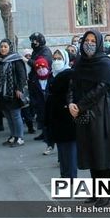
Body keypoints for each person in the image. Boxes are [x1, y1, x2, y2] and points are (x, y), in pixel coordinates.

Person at [68, 30, 110, 208]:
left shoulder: (104, 62)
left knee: (101, 151)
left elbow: (103, 87)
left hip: (99, 112)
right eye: (86, 40)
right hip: (82, 112)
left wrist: (80, 105)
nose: (89, 43)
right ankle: (96, 192)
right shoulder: (80, 62)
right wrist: (71, 104)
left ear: (98, 43)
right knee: (89, 150)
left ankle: (108, 194)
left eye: (92, 40)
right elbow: (72, 84)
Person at [44, 49, 77, 178]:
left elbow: (72, 95)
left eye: (59, 58)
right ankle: (65, 177)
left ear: (65, 60)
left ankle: (71, 178)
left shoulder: (69, 74)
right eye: (55, 58)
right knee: (62, 153)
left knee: (70, 153)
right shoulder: (53, 75)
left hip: (68, 119)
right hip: (57, 119)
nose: (56, 61)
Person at [0, 39, 27, 147]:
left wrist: (19, 88)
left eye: (5, 46)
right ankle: (13, 135)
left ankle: (20, 138)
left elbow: (22, 75)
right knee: (7, 115)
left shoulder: (16, 59)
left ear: (10, 48)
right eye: (1, 47)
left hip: (13, 92)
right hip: (1, 93)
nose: (3, 49)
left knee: (15, 115)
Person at [28, 56, 56, 154]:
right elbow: (32, 95)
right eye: (38, 68)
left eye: (43, 67)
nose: (41, 69)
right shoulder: (34, 81)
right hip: (41, 108)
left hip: (53, 107)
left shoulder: (53, 78)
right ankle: (49, 145)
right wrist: (35, 106)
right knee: (46, 128)